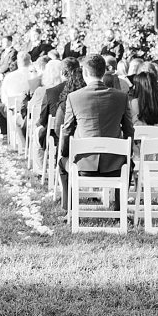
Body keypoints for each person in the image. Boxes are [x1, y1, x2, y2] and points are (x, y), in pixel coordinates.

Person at [57, 54, 134, 211]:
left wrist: (66, 154)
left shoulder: (74, 97)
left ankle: (68, 209)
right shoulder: (121, 97)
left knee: (61, 164)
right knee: (129, 164)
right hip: (115, 165)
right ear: (104, 71)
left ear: (85, 72)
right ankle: (120, 209)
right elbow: (129, 130)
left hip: (83, 164)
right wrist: (127, 153)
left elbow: (67, 130)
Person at [0, 51, 37, 137]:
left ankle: (5, 134)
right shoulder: (35, 76)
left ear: (18, 62)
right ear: (30, 61)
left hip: (13, 110)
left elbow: (4, 98)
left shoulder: (9, 77)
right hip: (32, 110)